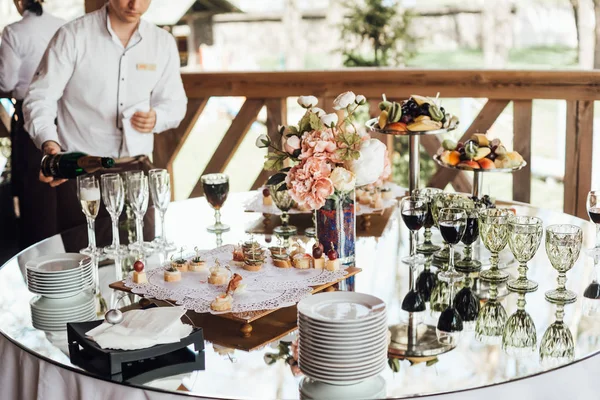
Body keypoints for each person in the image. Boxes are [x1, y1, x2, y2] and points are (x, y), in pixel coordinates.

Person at [23, 0, 187, 242]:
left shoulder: (162, 42)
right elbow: (39, 98)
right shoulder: (73, 35)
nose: (135, 4)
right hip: (83, 173)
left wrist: (157, 117)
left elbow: (175, 104)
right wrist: (49, 141)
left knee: (143, 269)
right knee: (86, 264)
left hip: (138, 172)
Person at [0, 0, 65, 249]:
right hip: (65, 119)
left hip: (31, 120)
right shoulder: (62, 26)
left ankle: (40, 259)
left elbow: (6, 83)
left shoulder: (14, 31)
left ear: (18, 2)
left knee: (35, 195)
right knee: (65, 194)